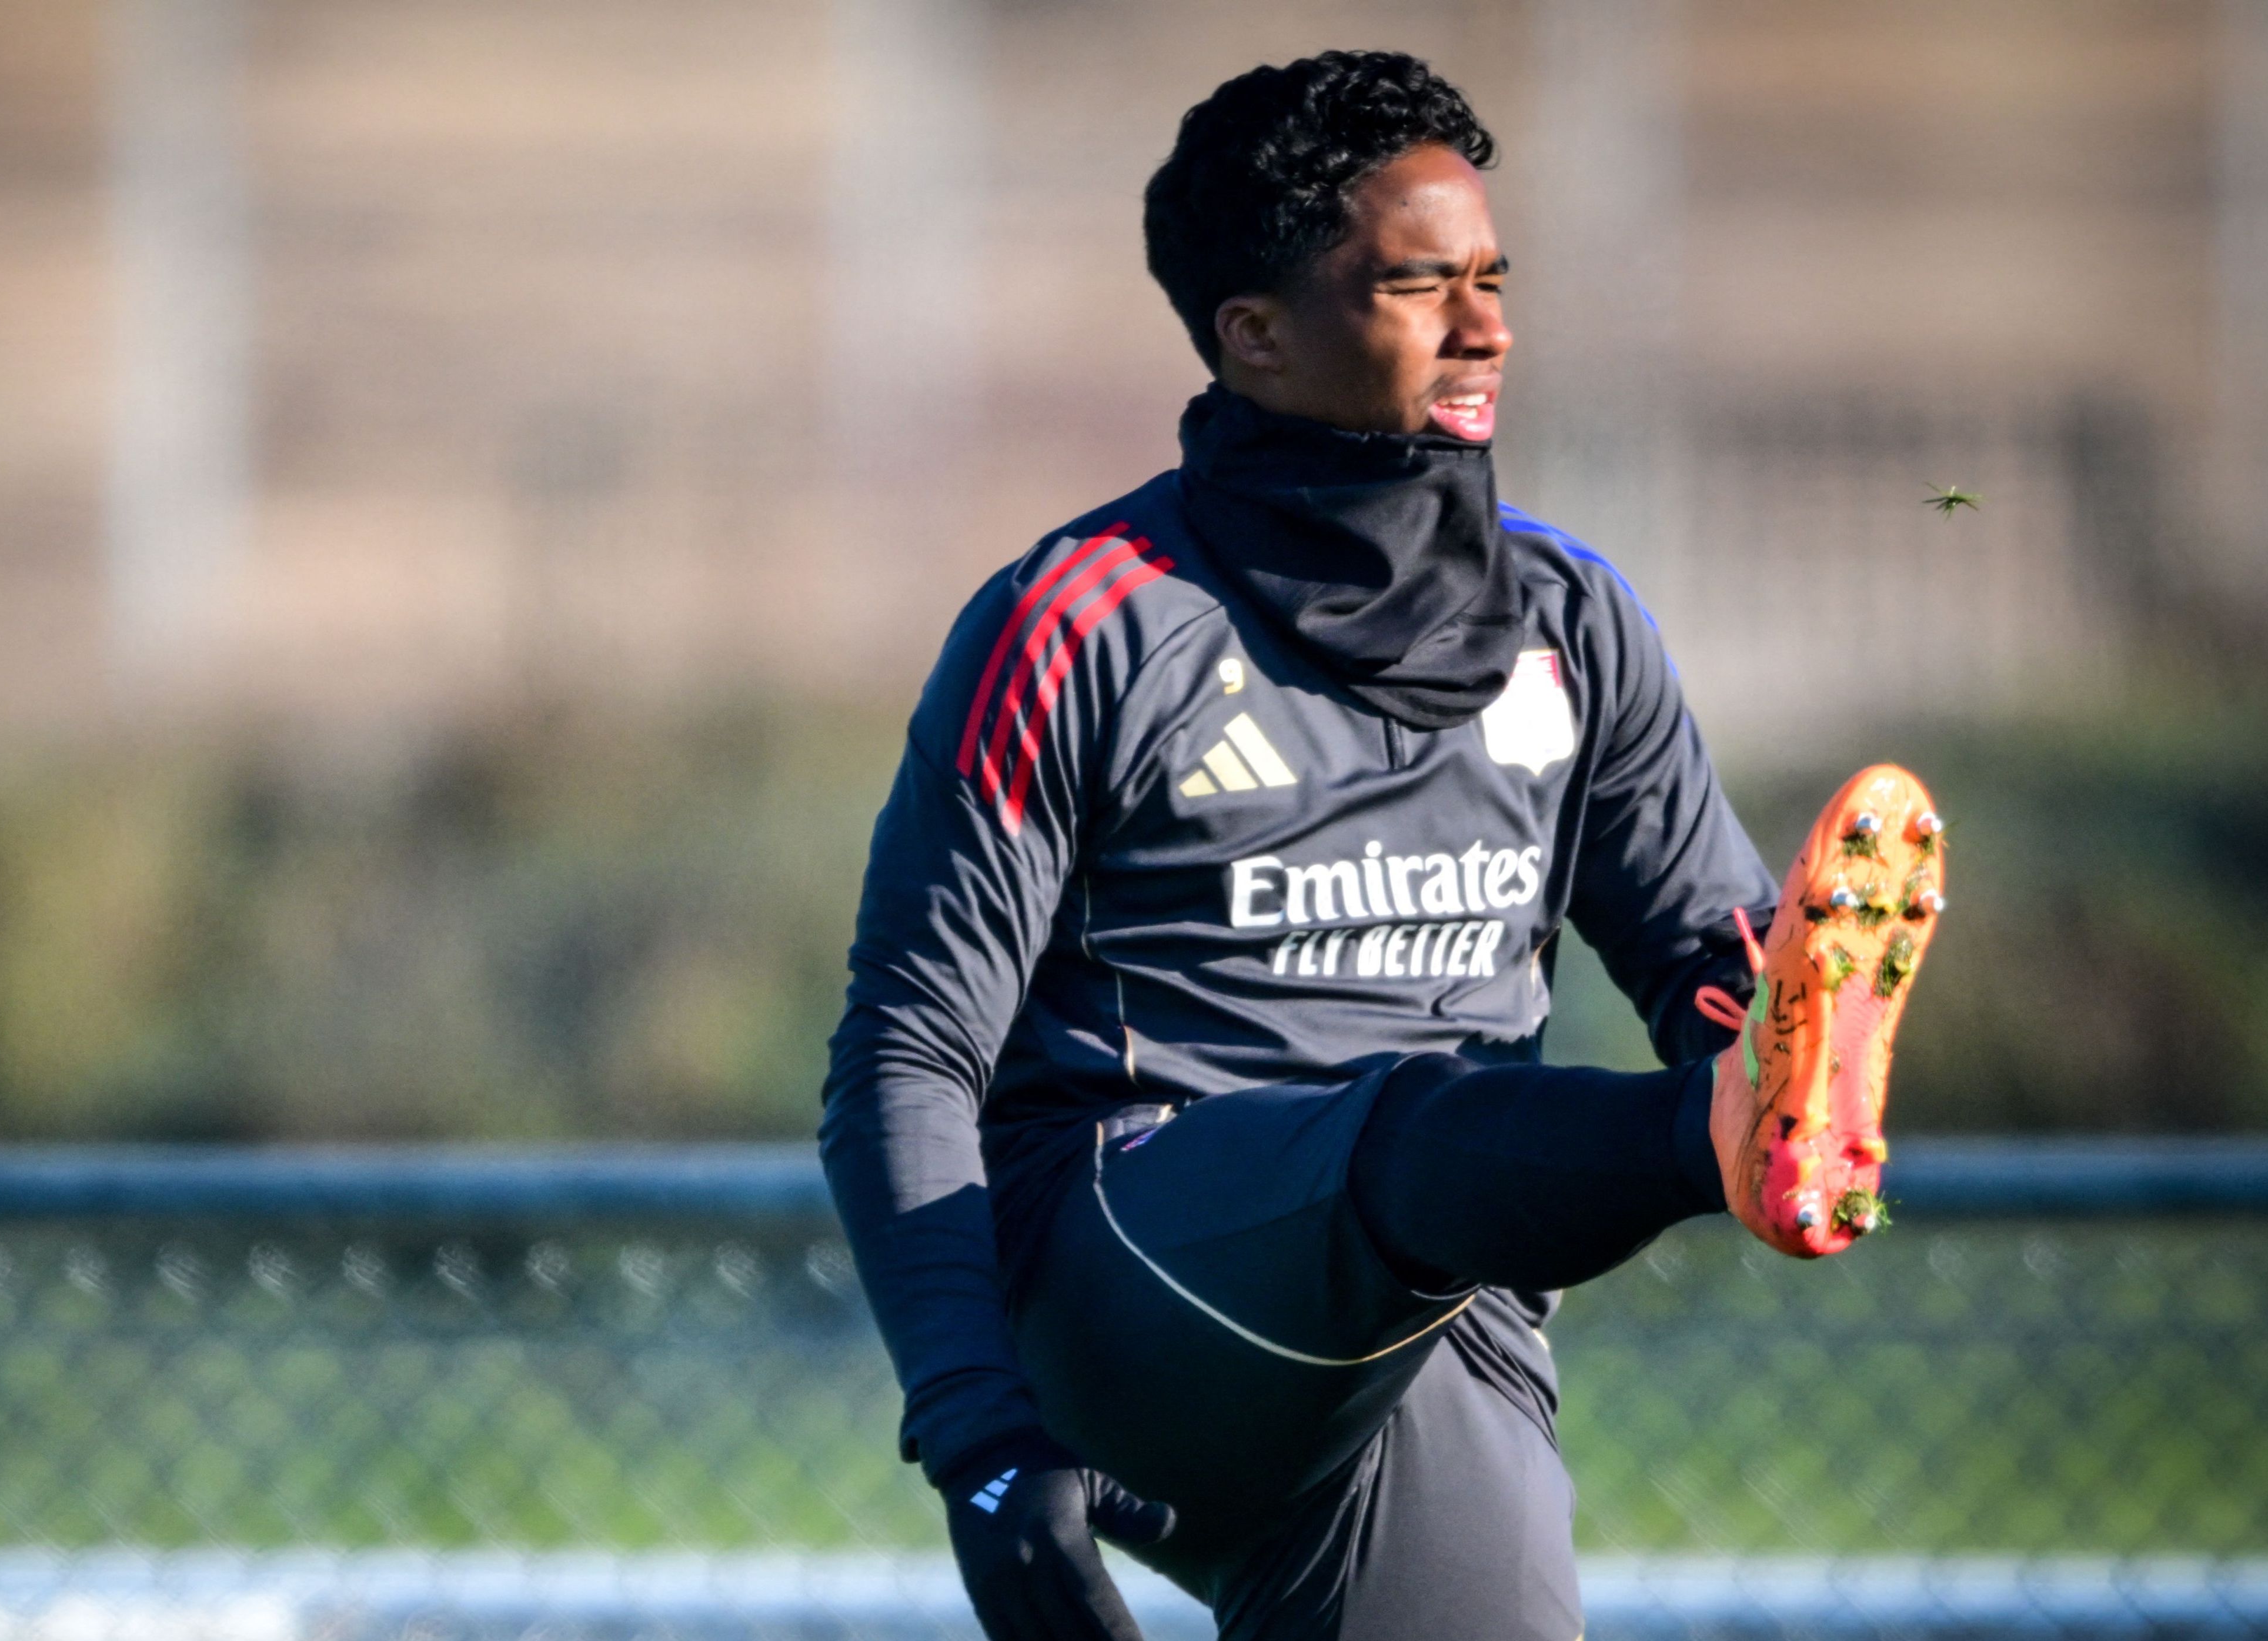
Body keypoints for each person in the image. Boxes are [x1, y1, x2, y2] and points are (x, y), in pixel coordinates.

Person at [816, 50, 1947, 1641]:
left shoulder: (1573, 622)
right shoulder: (1081, 625)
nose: (1485, 326)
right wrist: (987, 1459)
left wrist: (1750, 1018)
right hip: (1129, 1280)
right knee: (1403, 1130)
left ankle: (1715, 1130)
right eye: (1421, 286)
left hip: (1430, 1329)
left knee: (1447, 1164)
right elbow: (905, 1055)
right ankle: (1706, 1144)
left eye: (1494, 277)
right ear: (1255, 335)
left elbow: (1715, 960)